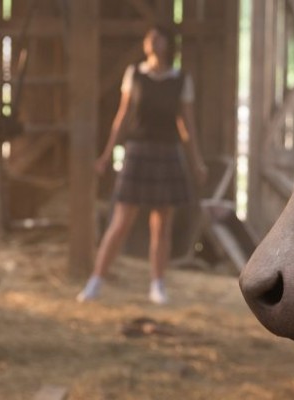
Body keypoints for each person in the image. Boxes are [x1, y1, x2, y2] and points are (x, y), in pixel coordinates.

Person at [77, 25, 208, 305]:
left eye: (157, 37)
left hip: (168, 152)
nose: (152, 41)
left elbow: (187, 125)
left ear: (167, 44)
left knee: (161, 225)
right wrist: (106, 154)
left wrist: (196, 161)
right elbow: (122, 118)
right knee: (120, 221)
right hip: (138, 152)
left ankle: (158, 285)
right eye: (149, 37)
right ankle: (95, 282)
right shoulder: (134, 74)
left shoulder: (180, 80)